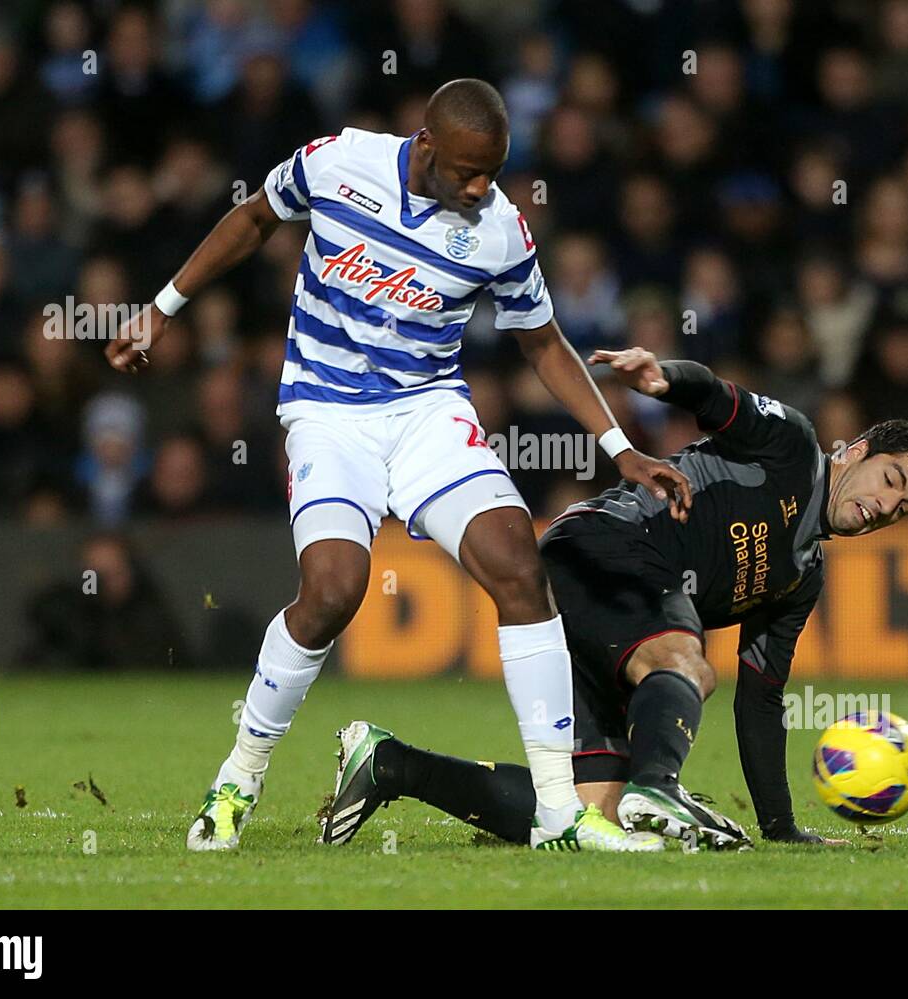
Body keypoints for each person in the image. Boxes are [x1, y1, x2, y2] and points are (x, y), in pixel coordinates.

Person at [105, 80, 689, 853]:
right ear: (428, 146)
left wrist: (621, 448)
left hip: (425, 412)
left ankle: (561, 811)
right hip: (327, 414)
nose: (482, 187)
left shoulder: (500, 231)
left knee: (519, 563)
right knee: (334, 590)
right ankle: (238, 777)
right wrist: (163, 305)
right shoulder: (339, 163)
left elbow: (542, 342)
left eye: (495, 171)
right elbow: (254, 218)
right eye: (470, 172)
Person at [322, 346, 908, 850]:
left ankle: (391, 764)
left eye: (904, 508)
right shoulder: (793, 448)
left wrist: (780, 827)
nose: (885, 506)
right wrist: (662, 378)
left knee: (586, 813)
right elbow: (717, 397)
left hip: (608, 610)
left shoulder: (802, 577)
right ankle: (659, 786)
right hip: (608, 545)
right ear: (857, 451)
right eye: (891, 480)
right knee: (684, 661)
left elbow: (761, 701)